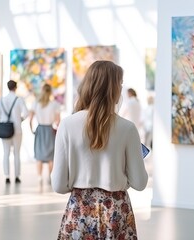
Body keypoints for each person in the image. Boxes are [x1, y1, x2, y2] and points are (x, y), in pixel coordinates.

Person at [51, 60, 148, 239]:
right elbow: (140, 183)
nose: (121, 88)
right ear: (113, 89)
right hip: (116, 211)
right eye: (120, 83)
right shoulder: (127, 128)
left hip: (79, 211)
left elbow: (58, 184)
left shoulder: (67, 125)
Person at [0, 80, 29, 184]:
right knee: (16, 153)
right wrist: (20, 119)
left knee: (6, 153)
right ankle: (17, 176)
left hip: (5, 129)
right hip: (17, 129)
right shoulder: (19, 99)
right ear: (15, 88)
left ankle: (7, 176)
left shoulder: (2, 100)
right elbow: (26, 113)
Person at [29, 83, 60, 185]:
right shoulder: (54, 104)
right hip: (50, 130)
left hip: (40, 129)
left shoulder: (36, 103)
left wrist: (31, 129)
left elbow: (30, 118)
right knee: (50, 156)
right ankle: (50, 177)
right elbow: (58, 121)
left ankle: (39, 177)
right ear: (50, 92)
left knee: (39, 155)